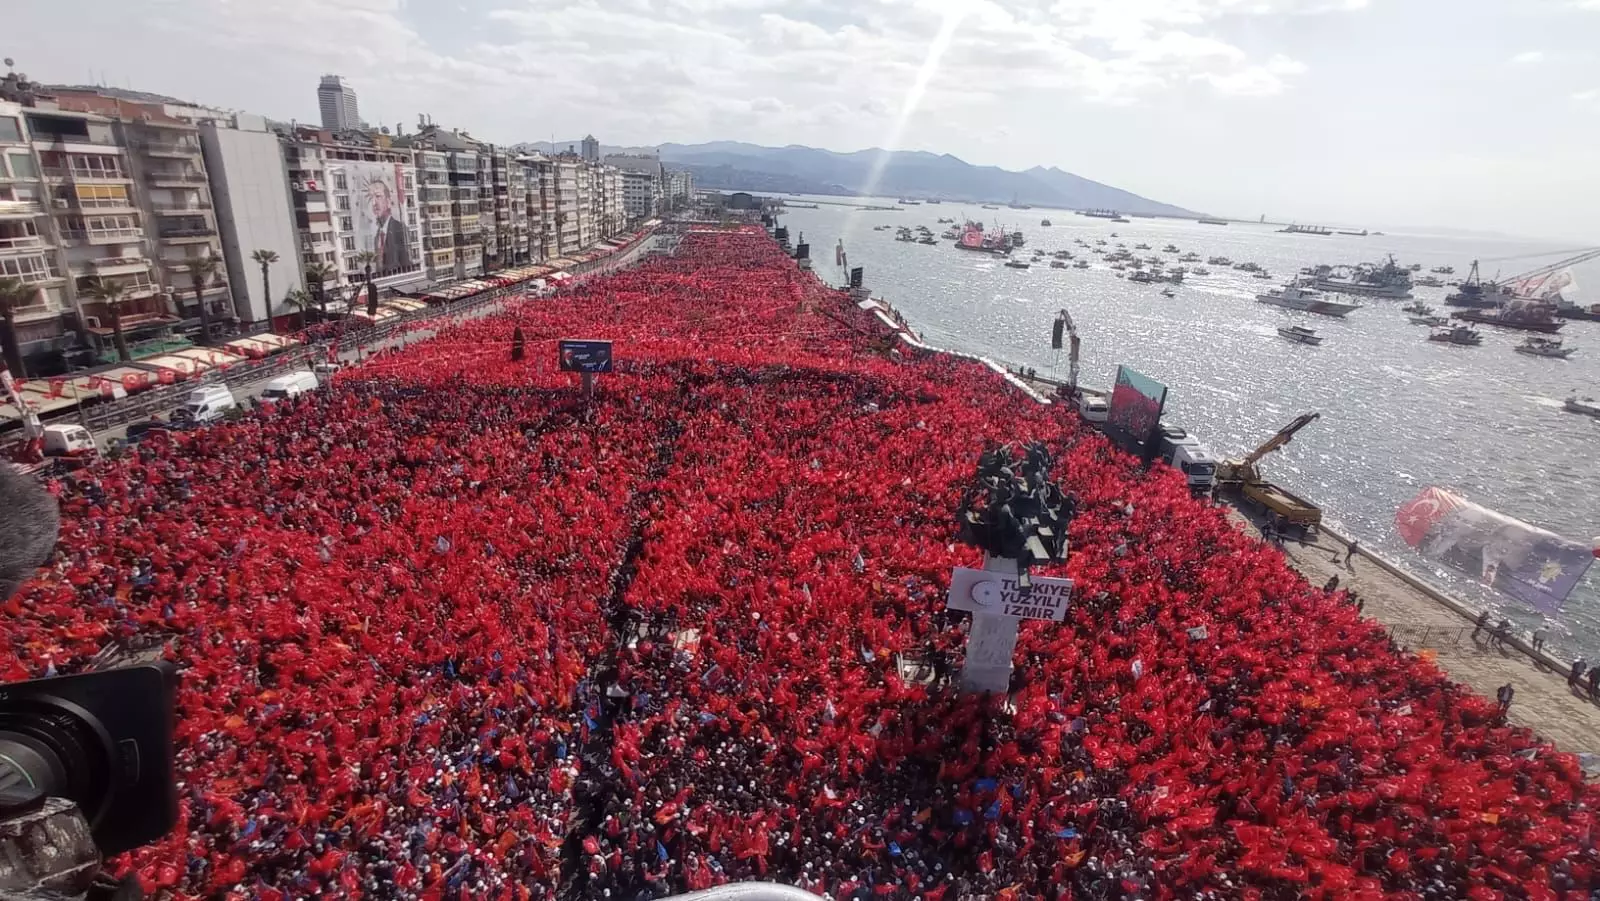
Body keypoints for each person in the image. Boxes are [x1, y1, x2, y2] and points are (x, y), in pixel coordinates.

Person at [365, 175, 410, 274]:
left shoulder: (400, 228)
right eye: (370, 198)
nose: (374, 203)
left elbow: (406, 261)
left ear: (389, 201)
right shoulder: (377, 236)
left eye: (378, 196)